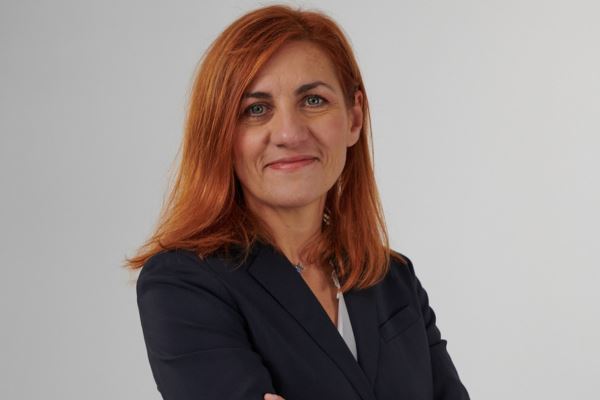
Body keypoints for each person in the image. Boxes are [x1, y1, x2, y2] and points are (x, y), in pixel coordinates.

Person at [124, 4, 470, 400]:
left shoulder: (392, 279)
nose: (289, 133)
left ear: (354, 118)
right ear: (220, 135)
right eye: (256, 110)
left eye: (314, 101)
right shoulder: (184, 284)